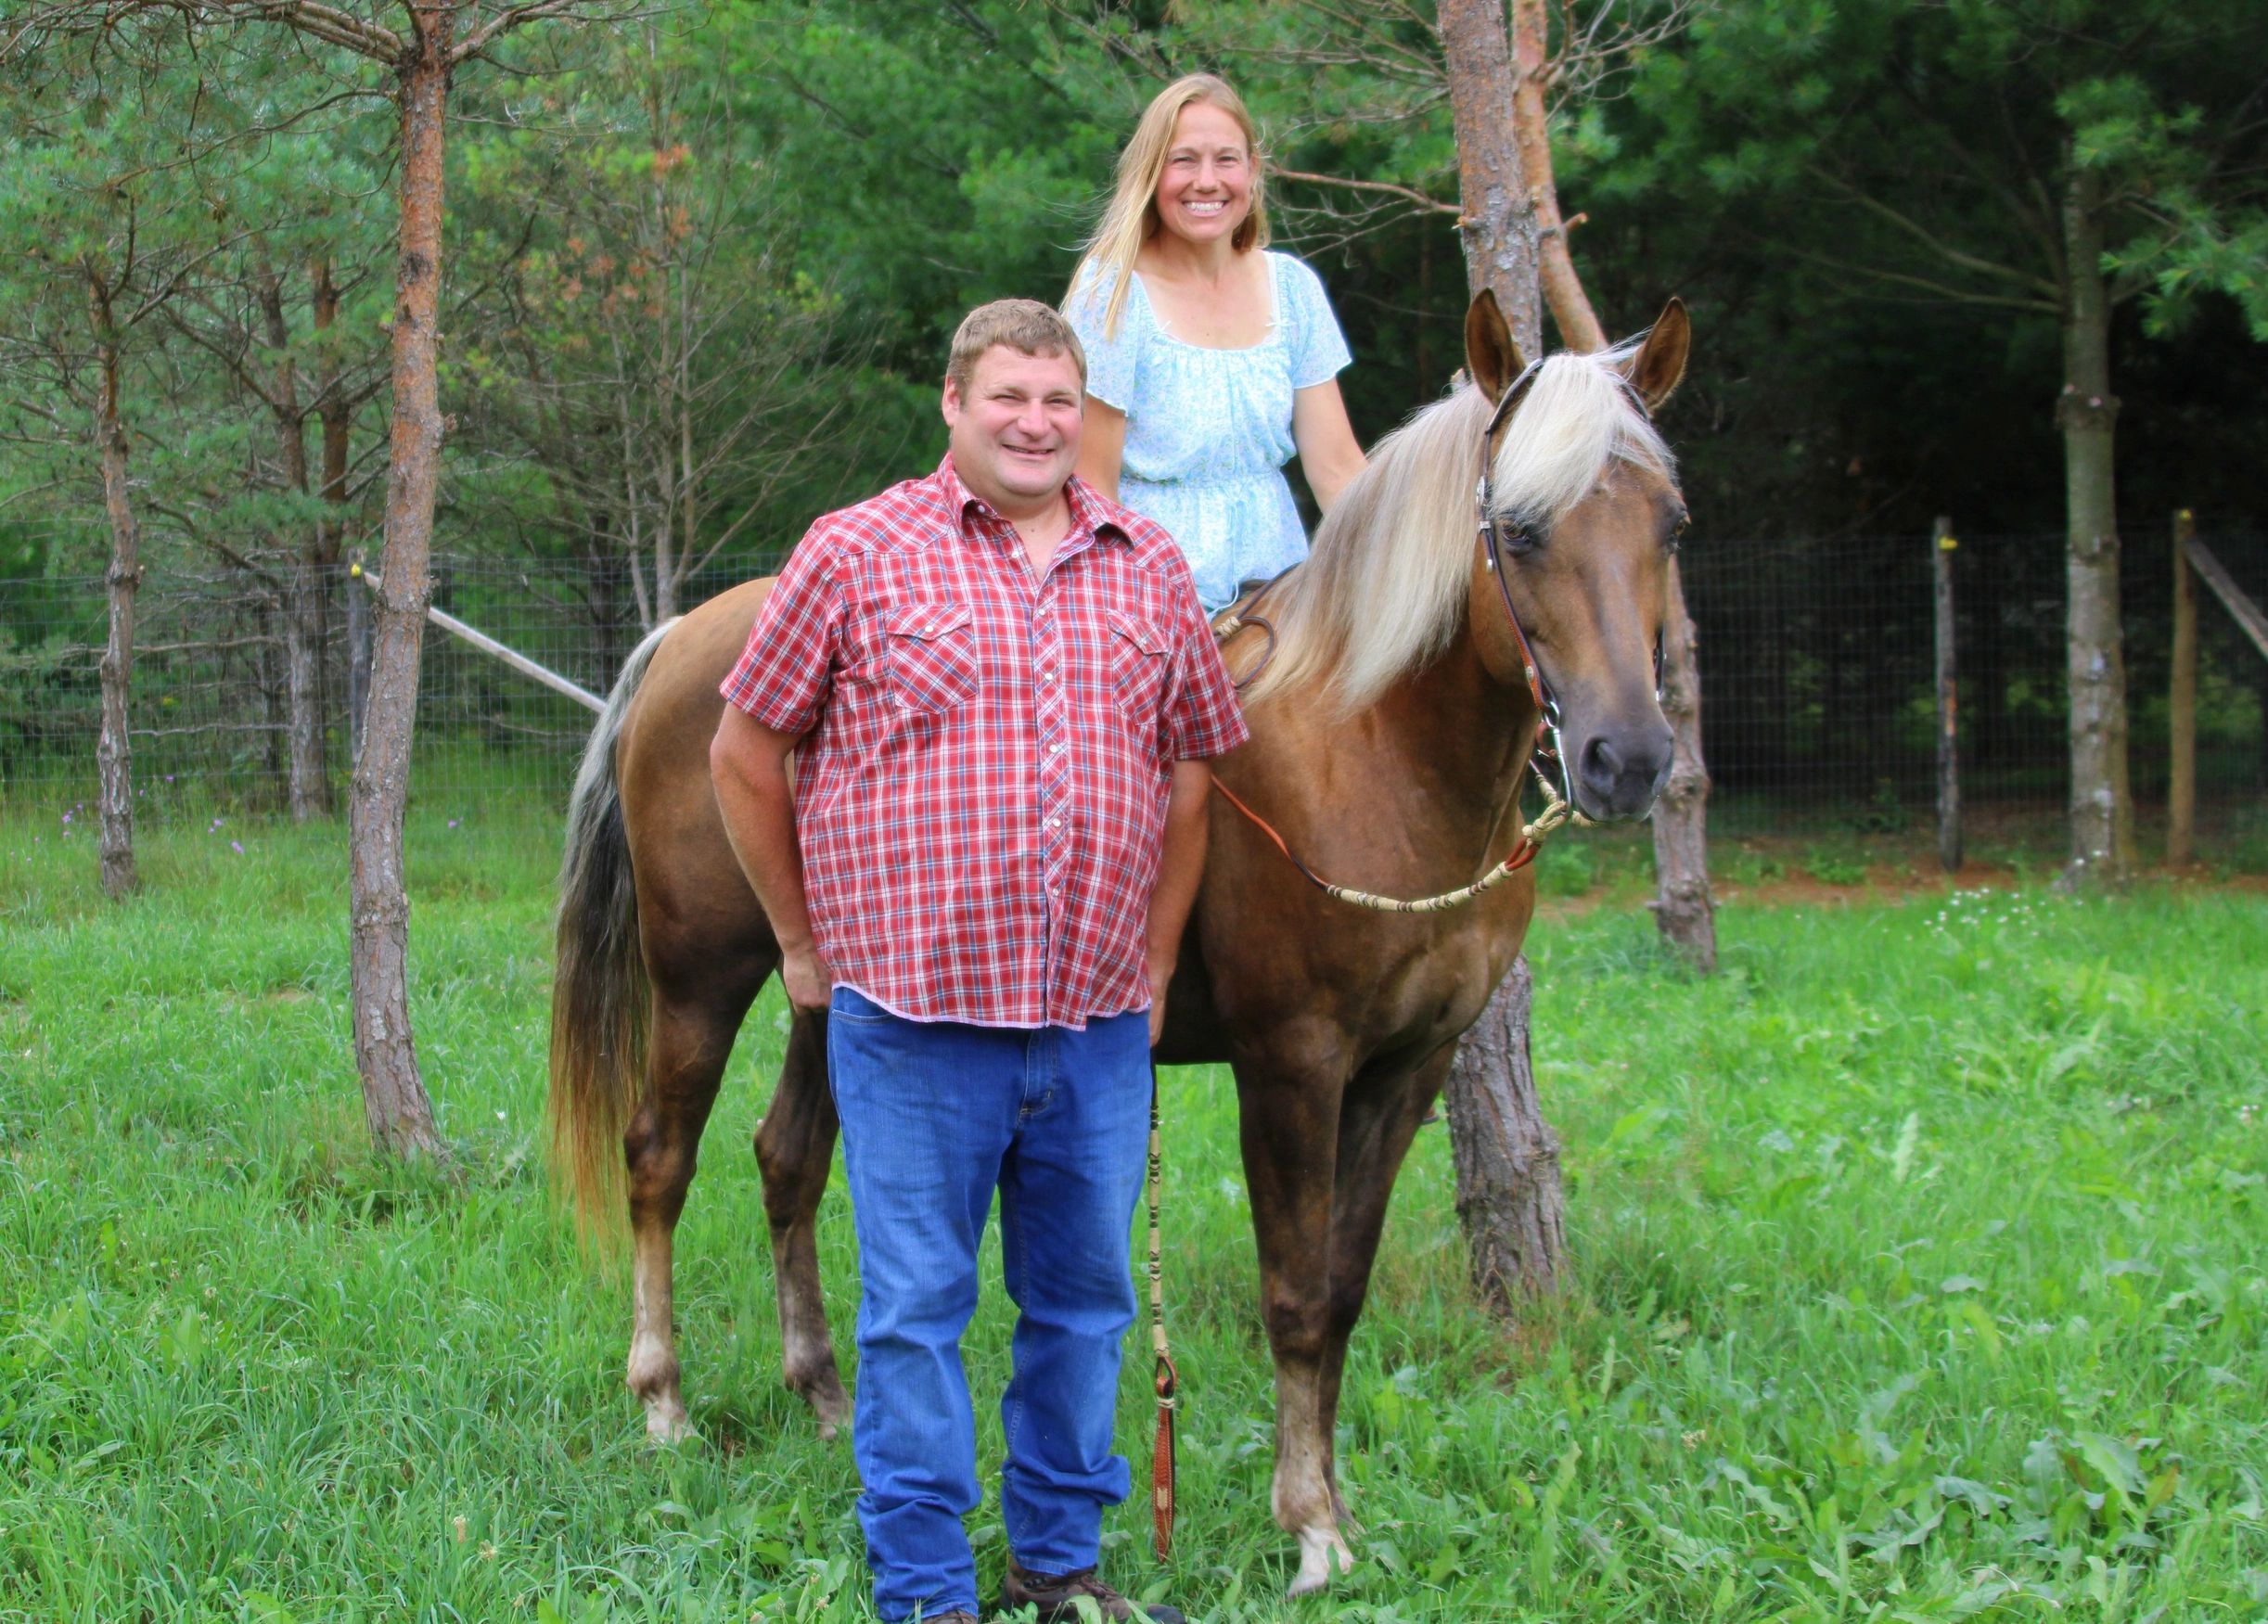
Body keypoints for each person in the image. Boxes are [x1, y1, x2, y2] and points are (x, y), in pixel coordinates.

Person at [708, 299, 1246, 1624]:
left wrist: (1159, 955)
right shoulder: (855, 551)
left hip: (1095, 1025)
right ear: (954, 403)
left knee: (1083, 1308)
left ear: (1083, 413)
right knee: (915, 1315)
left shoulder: (1148, 565)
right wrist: (796, 939)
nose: (1035, 422)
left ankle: (1056, 1566)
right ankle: (928, 1589)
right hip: (911, 1019)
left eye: (1059, 400)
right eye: (1009, 395)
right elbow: (744, 749)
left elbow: (1191, 778)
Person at [1066, 73, 1366, 614]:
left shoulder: (1292, 288)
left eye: (1226, 160)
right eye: (1183, 160)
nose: (1207, 181)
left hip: (1283, 593)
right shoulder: (1110, 292)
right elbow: (1093, 485)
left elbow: (1338, 468)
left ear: (1252, 171)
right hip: (1151, 598)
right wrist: (1127, 613)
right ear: (1152, 173)